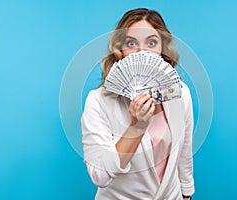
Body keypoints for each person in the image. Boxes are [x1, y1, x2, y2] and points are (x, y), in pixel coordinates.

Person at [81, 8, 194, 199]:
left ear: (162, 49)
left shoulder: (180, 94)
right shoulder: (98, 101)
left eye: (151, 42)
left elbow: (184, 152)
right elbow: (100, 176)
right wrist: (137, 127)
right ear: (120, 50)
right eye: (131, 43)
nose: (142, 52)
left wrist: (187, 194)